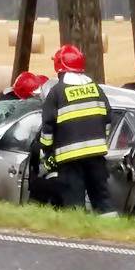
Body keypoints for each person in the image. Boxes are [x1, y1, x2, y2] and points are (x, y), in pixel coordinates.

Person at [39, 44, 113, 212]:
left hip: (70, 159)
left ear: (59, 67)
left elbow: (47, 128)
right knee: (103, 200)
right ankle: (111, 230)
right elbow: (108, 119)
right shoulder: (96, 89)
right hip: (96, 156)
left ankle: (76, 235)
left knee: (74, 202)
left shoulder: (57, 92)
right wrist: (101, 142)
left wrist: (48, 152)